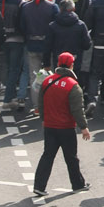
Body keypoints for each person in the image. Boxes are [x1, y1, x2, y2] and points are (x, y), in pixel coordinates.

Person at [32, 51, 91, 197]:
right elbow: (77, 109)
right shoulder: (73, 85)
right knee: (71, 157)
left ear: (58, 64)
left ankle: (39, 186)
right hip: (66, 128)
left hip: (50, 126)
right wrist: (83, 127)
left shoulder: (47, 81)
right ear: (72, 64)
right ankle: (78, 184)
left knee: (47, 155)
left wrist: (44, 119)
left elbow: (41, 103)